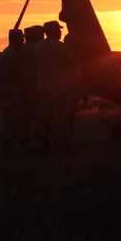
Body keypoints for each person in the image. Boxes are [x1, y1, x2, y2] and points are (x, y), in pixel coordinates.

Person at [34, 21, 83, 154]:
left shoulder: (38, 47)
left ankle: (42, 146)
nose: (61, 32)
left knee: (43, 117)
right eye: (58, 30)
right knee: (61, 117)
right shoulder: (62, 48)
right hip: (59, 87)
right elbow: (72, 67)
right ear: (53, 31)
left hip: (42, 86)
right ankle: (61, 147)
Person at [0, 29, 26, 155]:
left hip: (9, 89)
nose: (23, 40)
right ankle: (6, 149)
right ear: (15, 39)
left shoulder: (7, 52)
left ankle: (7, 147)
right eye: (21, 38)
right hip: (11, 90)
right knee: (10, 120)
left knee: (11, 119)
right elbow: (5, 74)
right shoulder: (11, 54)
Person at [19, 25, 45, 152]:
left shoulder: (20, 49)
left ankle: (23, 145)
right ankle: (42, 145)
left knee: (25, 118)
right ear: (37, 35)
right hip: (35, 87)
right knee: (40, 117)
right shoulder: (38, 49)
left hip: (23, 87)